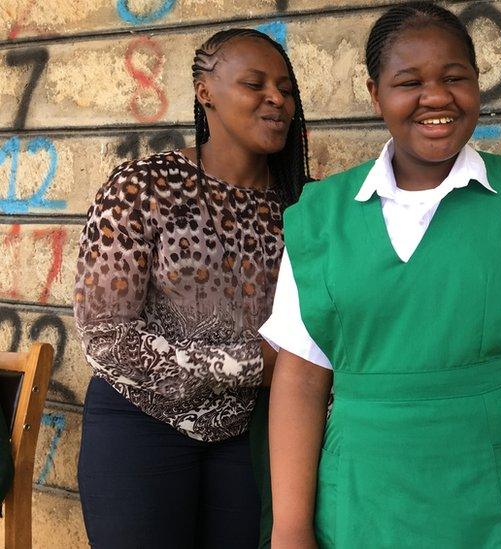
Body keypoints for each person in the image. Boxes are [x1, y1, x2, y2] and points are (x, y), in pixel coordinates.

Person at [262, 3, 501, 547]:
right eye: (409, 82)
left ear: (478, 85)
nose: (436, 97)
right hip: (366, 508)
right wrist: (291, 528)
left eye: (455, 77)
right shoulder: (321, 216)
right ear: (375, 94)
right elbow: (301, 378)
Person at [73, 28, 310, 548]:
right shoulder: (142, 186)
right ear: (206, 92)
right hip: (140, 425)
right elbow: (107, 338)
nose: (277, 99)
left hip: (252, 435)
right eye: (255, 84)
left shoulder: (304, 207)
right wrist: (255, 365)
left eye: (287, 89)